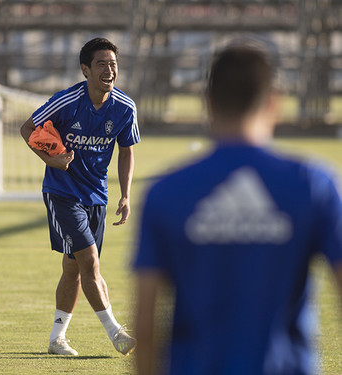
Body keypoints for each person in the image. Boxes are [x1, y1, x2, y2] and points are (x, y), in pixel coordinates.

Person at [133, 42, 342, 375]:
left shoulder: (165, 191)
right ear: (274, 103)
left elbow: (145, 325)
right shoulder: (313, 184)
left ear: (209, 103)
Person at [21, 37, 140, 356]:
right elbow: (27, 127)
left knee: (74, 268)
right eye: (101, 63)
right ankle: (116, 332)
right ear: (85, 69)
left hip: (96, 196)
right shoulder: (67, 101)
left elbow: (126, 151)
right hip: (62, 194)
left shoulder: (125, 107)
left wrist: (125, 195)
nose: (109, 70)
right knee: (89, 260)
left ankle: (56, 339)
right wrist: (50, 159)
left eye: (113, 64)